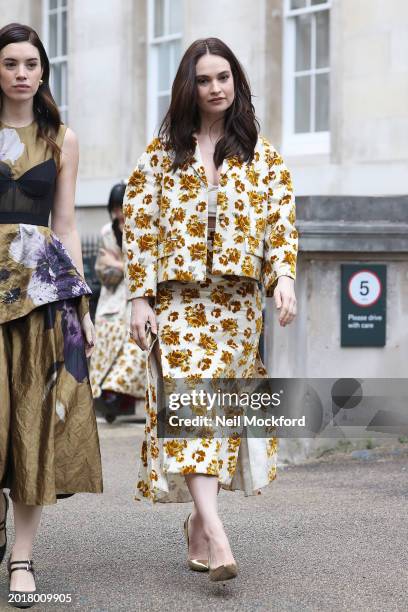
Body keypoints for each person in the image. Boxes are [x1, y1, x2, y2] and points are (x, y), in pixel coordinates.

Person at [123, 37, 298, 581]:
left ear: (236, 82)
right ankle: (219, 537)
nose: (215, 88)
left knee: (219, 416)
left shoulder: (261, 154)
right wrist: (138, 295)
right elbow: (140, 225)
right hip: (178, 303)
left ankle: (199, 522)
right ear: (189, 87)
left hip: (237, 306)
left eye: (223, 77)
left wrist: (284, 277)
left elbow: (280, 223)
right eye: (204, 79)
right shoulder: (162, 153)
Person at [0, 23, 103, 606]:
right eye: (10, 62)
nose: (21, 72)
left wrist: (79, 304)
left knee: (33, 426)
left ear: (42, 71)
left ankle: (23, 558)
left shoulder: (62, 137)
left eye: (30, 63)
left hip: (41, 296)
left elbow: (64, 224)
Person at [90, 182, 146, 410]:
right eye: (114, 208)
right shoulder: (107, 232)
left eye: (120, 207)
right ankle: (108, 393)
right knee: (107, 335)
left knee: (135, 347)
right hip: (113, 301)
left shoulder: (141, 228)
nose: (118, 213)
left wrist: (117, 262)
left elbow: (144, 267)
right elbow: (104, 271)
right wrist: (123, 266)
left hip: (136, 299)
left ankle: (117, 390)